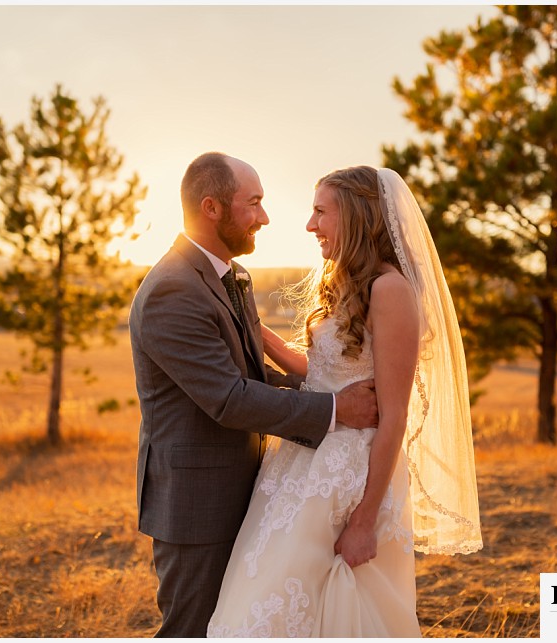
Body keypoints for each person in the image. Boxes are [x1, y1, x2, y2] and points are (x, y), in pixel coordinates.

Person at [207, 166, 483, 637]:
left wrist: (363, 519)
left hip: (350, 476)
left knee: (322, 604)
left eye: (320, 212)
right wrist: (252, 330)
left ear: (355, 216)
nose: (310, 225)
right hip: (299, 464)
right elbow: (322, 373)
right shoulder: (343, 280)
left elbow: (394, 415)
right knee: (268, 601)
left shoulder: (391, 290)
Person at [128, 152, 379, 638]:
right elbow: (230, 398)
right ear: (212, 208)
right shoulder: (172, 290)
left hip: (244, 488)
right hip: (197, 504)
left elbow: (250, 374)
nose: (265, 217)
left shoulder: (230, 276)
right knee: (192, 629)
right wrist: (333, 408)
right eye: (254, 203)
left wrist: (321, 388)